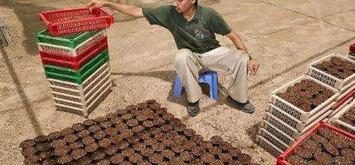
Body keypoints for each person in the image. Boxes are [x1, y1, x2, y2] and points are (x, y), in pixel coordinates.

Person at [89, 0, 260, 117]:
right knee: (181, 56)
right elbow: (136, 11)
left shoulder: (209, 14)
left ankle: (238, 99)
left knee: (242, 58)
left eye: (179, 0)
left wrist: (250, 57)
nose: (175, 3)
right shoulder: (168, 13)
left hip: (212, 53)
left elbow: (234, 36)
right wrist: (107, 3)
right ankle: (193, 100)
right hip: (191, 56)